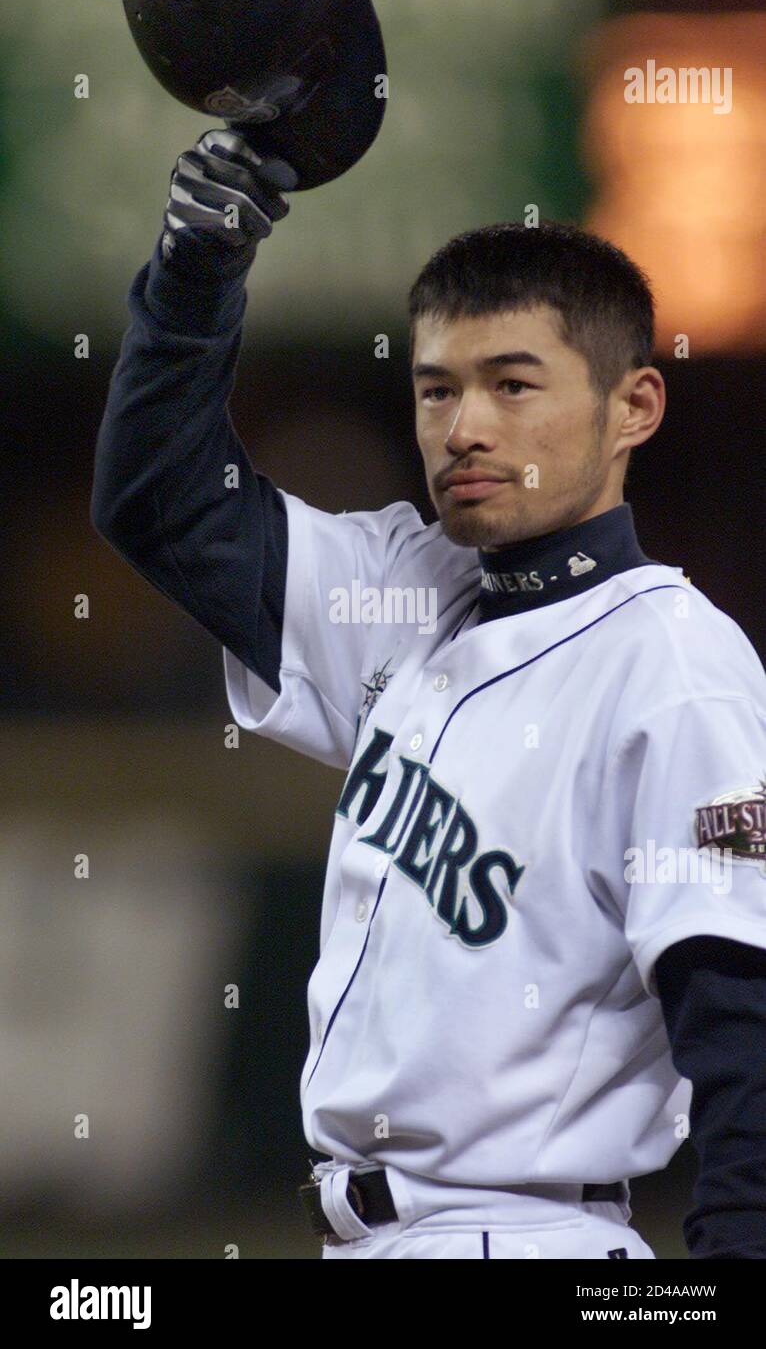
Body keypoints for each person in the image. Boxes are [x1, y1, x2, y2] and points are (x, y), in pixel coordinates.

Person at [91, 129, 766, 1260]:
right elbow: (160, 502)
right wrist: (194, 273)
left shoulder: (678, 672)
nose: (464, 428)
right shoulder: (407, 591)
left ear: (634, 407)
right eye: (436, 388)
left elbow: (742, 1018)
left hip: (531, 1233)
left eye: (513, 384)